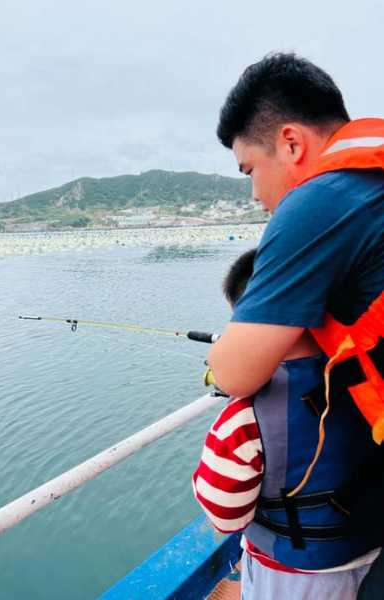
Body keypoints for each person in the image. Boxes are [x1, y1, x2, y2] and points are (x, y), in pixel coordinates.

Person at [207, 52, 384, 599]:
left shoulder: (320, 201)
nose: (255, 195)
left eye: (249, 170)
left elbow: (233, 373)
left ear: (290, 143)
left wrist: (217, 362)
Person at [193, 250, 379, 599]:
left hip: (295, 576)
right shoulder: (373, 380)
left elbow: (223, 516)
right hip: (371, 552)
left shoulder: (243, 419)